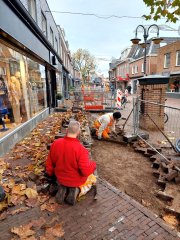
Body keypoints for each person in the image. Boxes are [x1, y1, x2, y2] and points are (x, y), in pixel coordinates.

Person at [46, 120, 96, 205]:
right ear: (79, 132)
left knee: (64, 181)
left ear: (66, 130)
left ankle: (62, 187)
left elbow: (50, 163)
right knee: (92, 178)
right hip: (76, 180)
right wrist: (93, 165)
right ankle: (77, 189)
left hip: (60, 177)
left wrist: (50, 174)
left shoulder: (55, 143)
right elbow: (85, 171)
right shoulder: (81, 150)